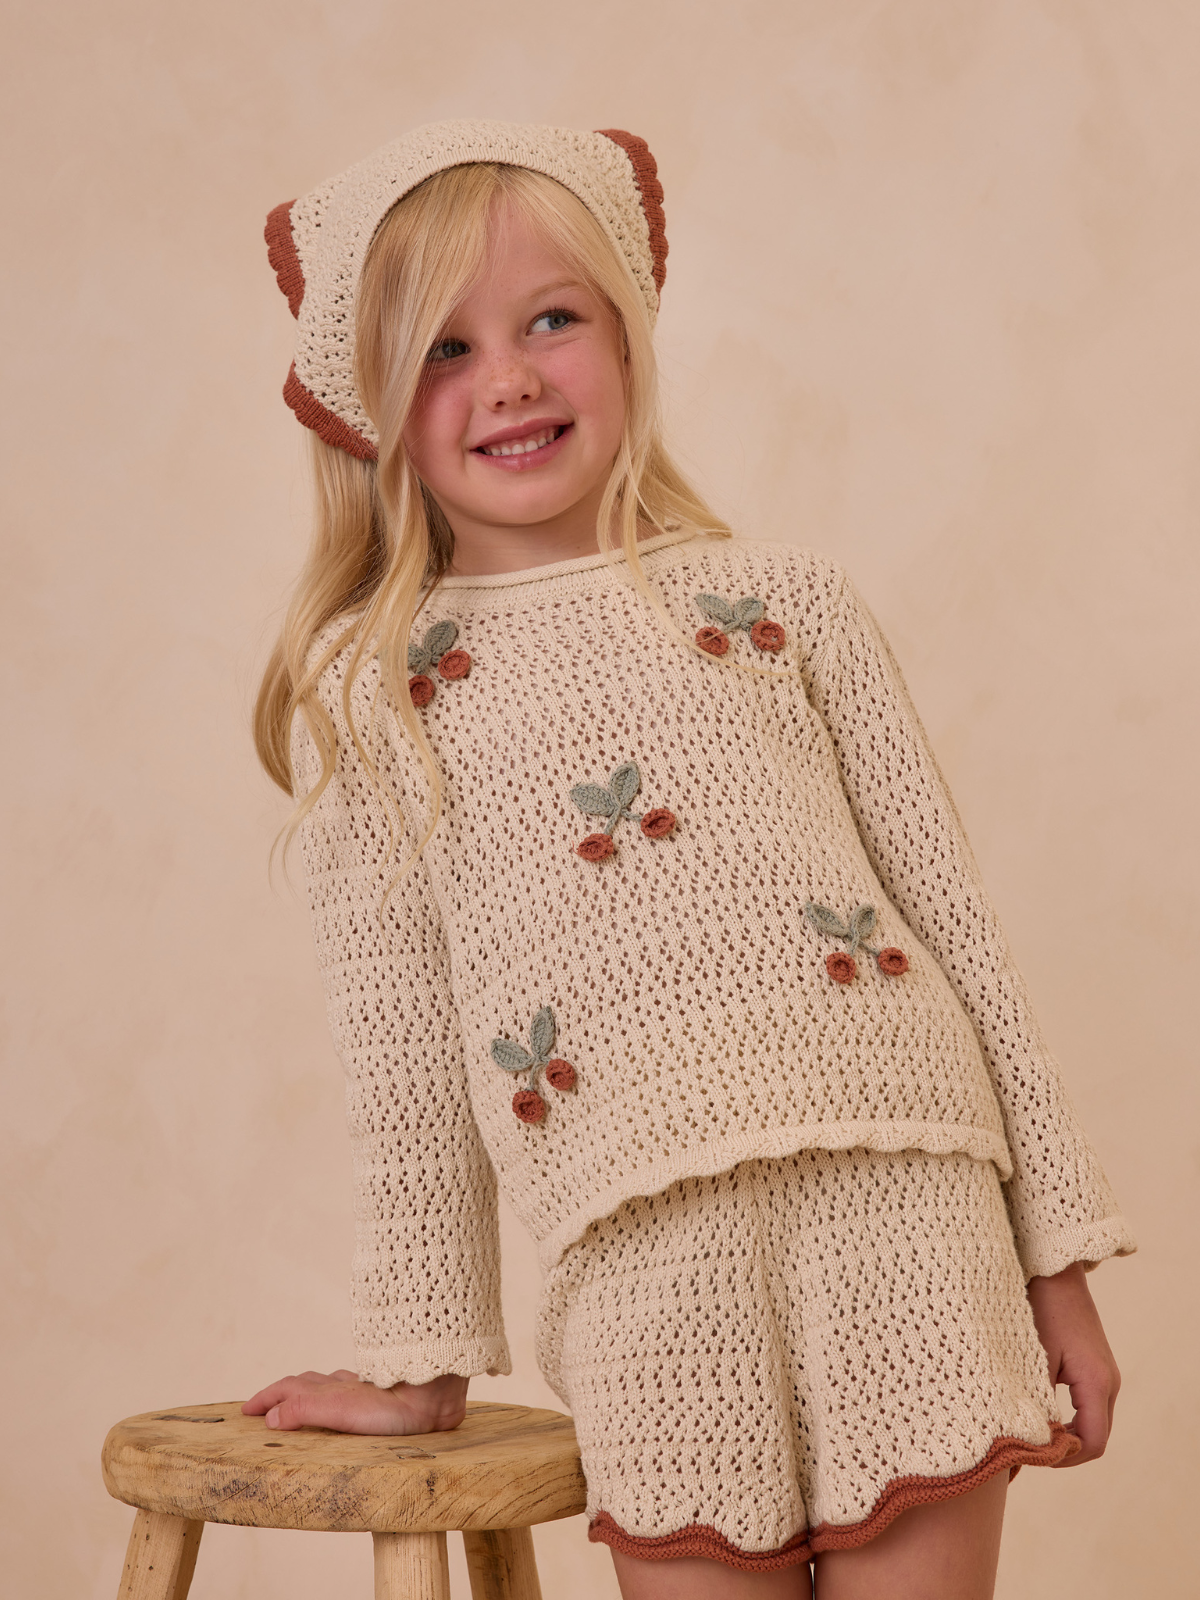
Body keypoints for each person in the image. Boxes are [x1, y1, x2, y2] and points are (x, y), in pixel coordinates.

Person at [243, 121, 1134, 1600]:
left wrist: (1060, 1263)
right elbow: (403, 1050)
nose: (513, 377)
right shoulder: (376, 686)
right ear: (374, 410)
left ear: (630, 334)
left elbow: (960, 931)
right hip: (646, 1266)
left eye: (552, 320)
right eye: (446, 351)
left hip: (911, 1205)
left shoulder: (782, 605)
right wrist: (426, 1364)